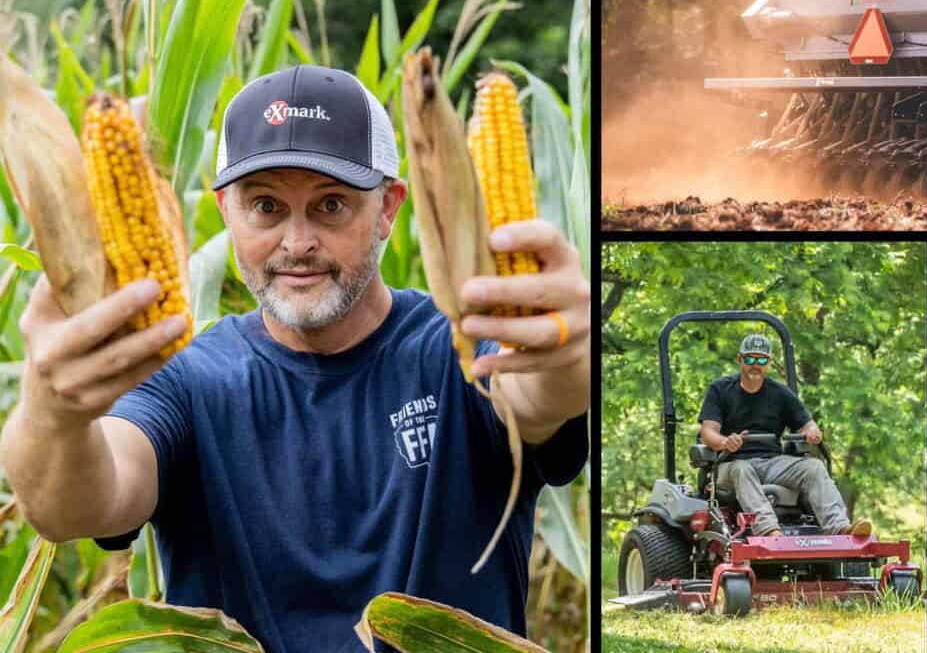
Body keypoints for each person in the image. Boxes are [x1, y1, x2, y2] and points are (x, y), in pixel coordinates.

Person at [0, 64, 590, 652]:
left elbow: (538, 395)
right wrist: (51, 413)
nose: (298, 242)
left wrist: (564, 354)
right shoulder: (185, 379)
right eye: (266, 206)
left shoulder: (458, 346)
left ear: (388, 207)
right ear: (226, 210)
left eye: (331, 205)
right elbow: (78, 504)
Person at [698, 333, 871, 538]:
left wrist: (812, 433)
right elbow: (707, 432)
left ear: (769, 363)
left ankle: (840, 527)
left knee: (814, 467)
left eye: (761, 360)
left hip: (772, 463)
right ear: (740, 359)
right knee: (742, 469)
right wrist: (725, 442)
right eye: (750, 359)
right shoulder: (721, 390)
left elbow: (807, 424)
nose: (755, 365)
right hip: (729, 463)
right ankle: (770, 531)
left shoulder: (780, 393)